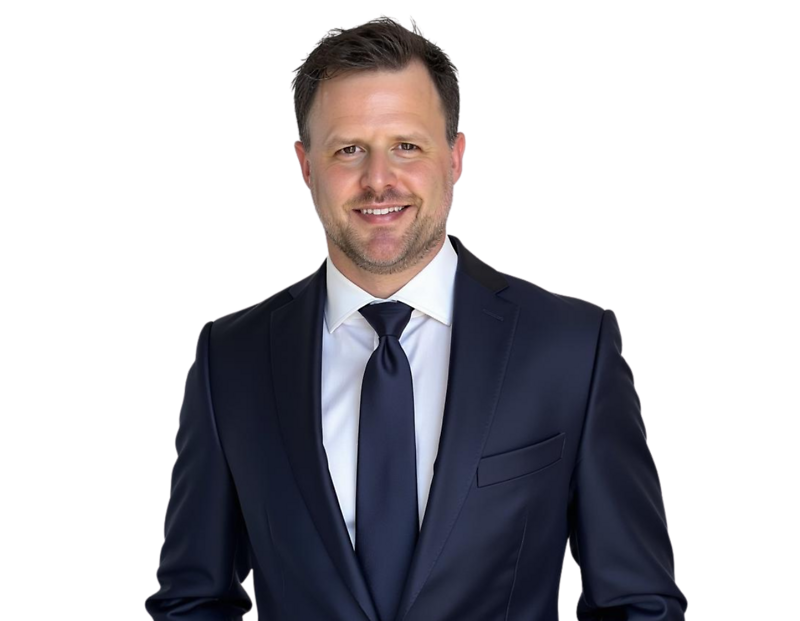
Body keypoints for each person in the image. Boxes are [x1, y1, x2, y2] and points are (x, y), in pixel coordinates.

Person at [143, 14, 688, 621]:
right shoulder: (230, 358)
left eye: (407, 145)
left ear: (456, 158)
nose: (379, 180)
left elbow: (638, 605)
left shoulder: (571, 349)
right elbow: (192, 601)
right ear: (304, 166)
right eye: (349, 149)